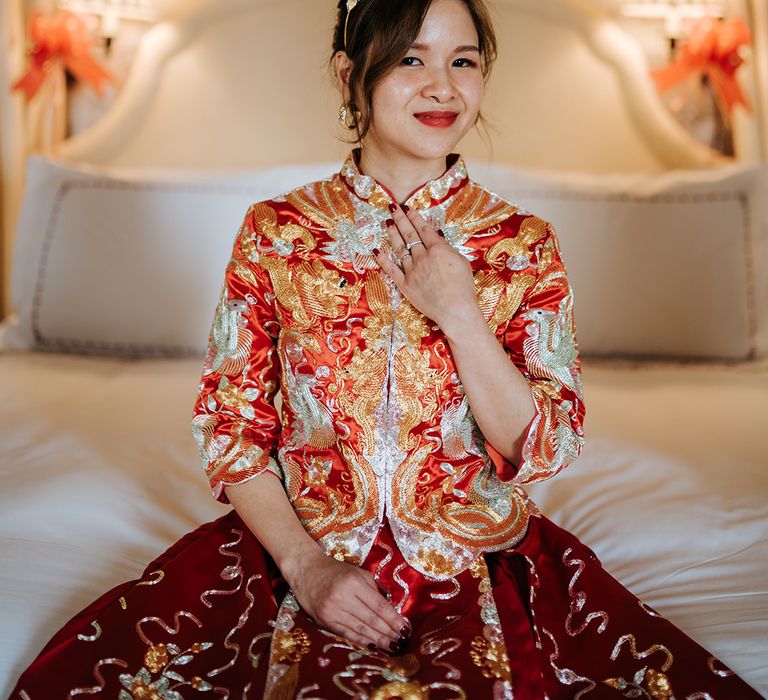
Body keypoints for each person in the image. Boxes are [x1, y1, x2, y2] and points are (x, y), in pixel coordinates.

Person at [9, 0, 763, 697]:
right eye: (411, 58)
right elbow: (231, 427)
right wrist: (307, 569)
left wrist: (460, 312)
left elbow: (546, 447)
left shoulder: (522, 245)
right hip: (294, 551)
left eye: (464, 61)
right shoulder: (278, 232)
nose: (442, 87)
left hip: (474, 558)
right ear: (351, 75)